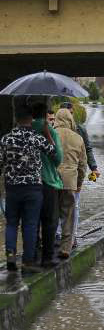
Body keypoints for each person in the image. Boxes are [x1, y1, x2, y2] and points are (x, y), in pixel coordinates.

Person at [0, 100, 56, 273]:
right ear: (31, 119)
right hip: (33, 188)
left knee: (11, 223)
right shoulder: (36, 138)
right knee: (30, 224)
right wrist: (47, 132)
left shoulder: (6, 139)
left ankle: (10, 256)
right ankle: (28, 262)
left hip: (12, 188)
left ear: (16, 119)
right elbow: (53, 153)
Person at [59, 102, 99, 248]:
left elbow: (87, 150)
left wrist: (93, 168)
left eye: (70, 113)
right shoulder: (53, 131)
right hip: (67, 176)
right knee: (62, 207)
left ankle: (71, 236)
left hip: (73, 174)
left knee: (73, 206)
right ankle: (61, 237)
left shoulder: (80, 130)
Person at [32, 103, 64, 268]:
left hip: (29, 182)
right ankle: (47, 258)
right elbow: (58, 158)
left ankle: (31, 256)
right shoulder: (49, 131)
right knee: (49, 221)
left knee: (32, 221)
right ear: (46, 115)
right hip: (48, 181)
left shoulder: (24, 130)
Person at [54, 109, 87, 259]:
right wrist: (79, 183)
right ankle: (66, 248)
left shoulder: (49, 135)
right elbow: (82, 165)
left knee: (50, 214)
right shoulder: (78, 138)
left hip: (51, 181)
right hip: (70, 182)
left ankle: (47, 244)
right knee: (68, 215)